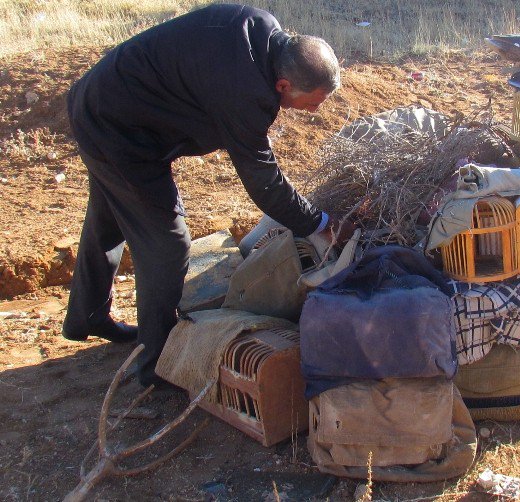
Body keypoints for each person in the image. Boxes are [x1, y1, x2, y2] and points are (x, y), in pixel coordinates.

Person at [62, 3, 354, 387]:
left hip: (109, 102)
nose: (314, 110)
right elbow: (262, 180)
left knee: (110, 219)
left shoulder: (262, 30)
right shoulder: (245, 91)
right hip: (117, 130)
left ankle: (88, 316)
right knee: (168, 243)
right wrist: (319, 223)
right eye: (313, 101)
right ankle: (157, 363)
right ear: (283, 85)